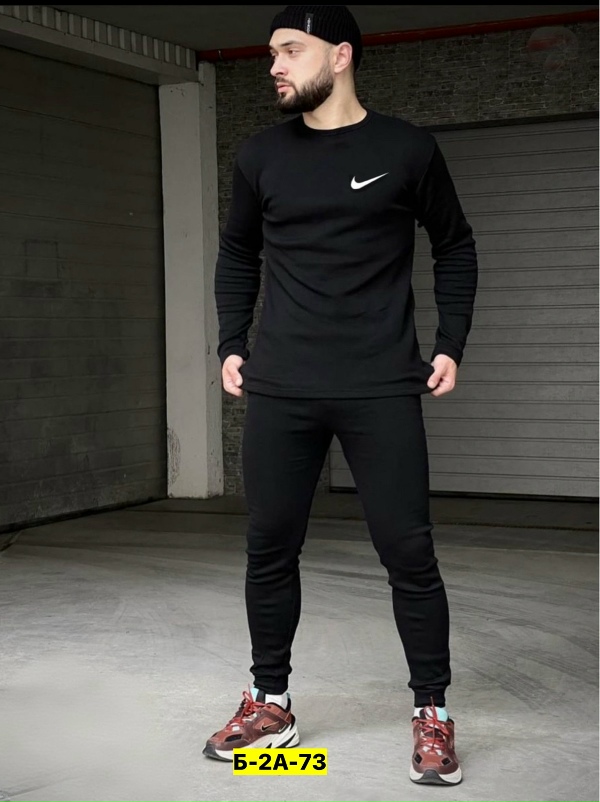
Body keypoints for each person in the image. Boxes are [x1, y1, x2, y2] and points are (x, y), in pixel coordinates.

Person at [205, 4, 478, 786]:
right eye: (271, 53)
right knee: (269, 549)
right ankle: (272, 704)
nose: (274, 66)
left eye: (291, 50)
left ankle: (432, 712)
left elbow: (455, 245)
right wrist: (231, 342)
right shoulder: (261, 155)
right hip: (281, 385)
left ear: (342, 55)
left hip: (380, 383)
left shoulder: (406, 149)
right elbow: (237, 252)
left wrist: (451, 342)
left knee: (409, 554)